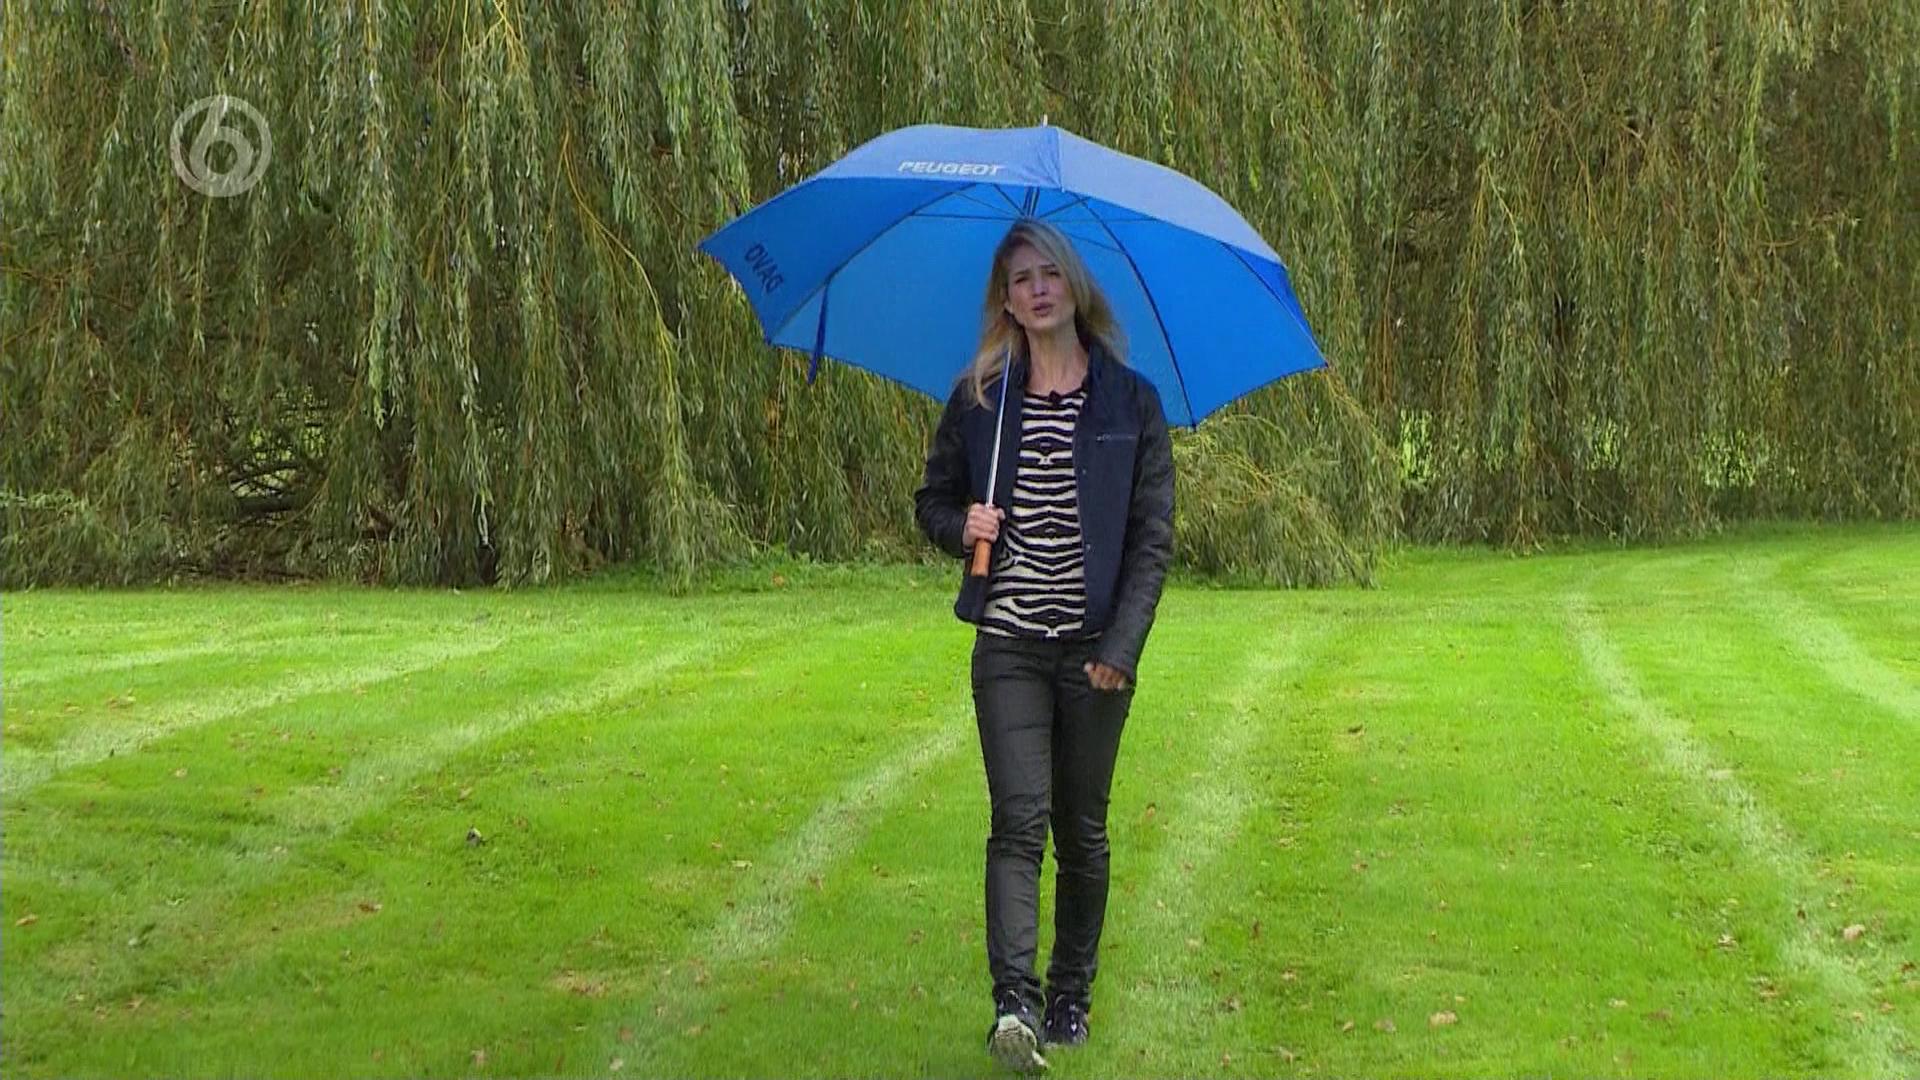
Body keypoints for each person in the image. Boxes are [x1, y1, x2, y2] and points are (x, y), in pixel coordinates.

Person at [914, 218, 1175, 1073]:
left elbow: (1151, 542)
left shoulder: (1131, 403)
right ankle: (1014, 1007)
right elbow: (932, 503)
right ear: (1006, 300)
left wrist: (1122, 648)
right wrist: (964, 525)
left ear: (1074, 285)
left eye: (1049, 273)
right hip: (1010, 647)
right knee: (1018, 821)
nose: (1037, 289)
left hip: (1096, 651)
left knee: (1082, 829)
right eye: (1021, 278)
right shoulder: (981, 400)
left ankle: (1069, 994)